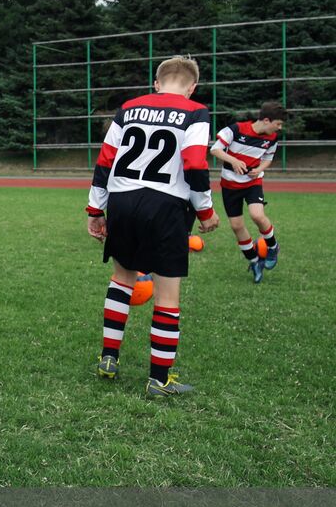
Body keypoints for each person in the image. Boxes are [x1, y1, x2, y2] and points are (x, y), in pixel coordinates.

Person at [87, 56, 218, 395]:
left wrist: (94, 210)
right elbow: (194, 163)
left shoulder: (128, 108)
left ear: (157, 83)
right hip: (166, 206)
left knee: (122, 280)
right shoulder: (196, 111)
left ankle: (108, 359)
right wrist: (206, 212)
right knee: (167, 296)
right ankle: (159, 379)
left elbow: (105, 158)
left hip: (122, 202)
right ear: (192, 87)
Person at [210, 102, 286, 283]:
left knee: (257, 215)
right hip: (229, 185)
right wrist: (233, 161)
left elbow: (268, 158)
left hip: (253, 183)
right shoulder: (236, 129)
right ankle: (254, 261)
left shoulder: (272, 137)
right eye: (278, 124)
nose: (280, 128)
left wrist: (259, 168)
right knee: (237, 226)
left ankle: (273, 246)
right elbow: (215, 149)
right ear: (266, 120)